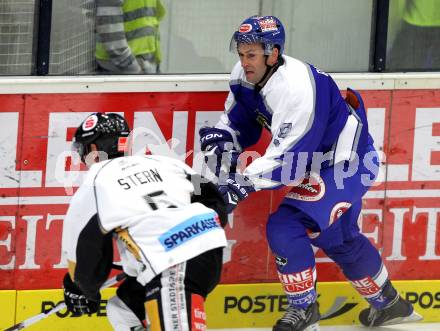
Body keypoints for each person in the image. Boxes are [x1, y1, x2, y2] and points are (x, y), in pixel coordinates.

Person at [199, 15, 423, 331]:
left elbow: (291, 157)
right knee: (338, 238)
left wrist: (240, 185)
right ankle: (389, 305)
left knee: (285, 225)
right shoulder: (244, 76)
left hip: (347, 163)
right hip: (322, 161)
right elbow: (238, 121)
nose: (244, 61)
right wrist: (222, 141)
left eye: (251, 55)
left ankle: (305, 311)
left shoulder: (296, 87)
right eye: (241, 53)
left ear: (273, 53)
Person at [62, 112, 228, 331]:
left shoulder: (94, 181)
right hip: (208, 253)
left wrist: (83, 290)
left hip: (173, 264)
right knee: (123, 309)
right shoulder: (165, 163)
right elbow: (212, 199)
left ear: (92, 150)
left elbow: (85, 250)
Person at [95, 0, 166, 74]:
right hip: (122, 67)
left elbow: (155, 17)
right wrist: (133, 67)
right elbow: (109, 28)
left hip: (144, 64)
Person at [388, 0, 440, 71]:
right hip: (419, 22)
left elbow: (400, 4)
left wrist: (396, 20)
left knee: (403, 68)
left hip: (414, 21)